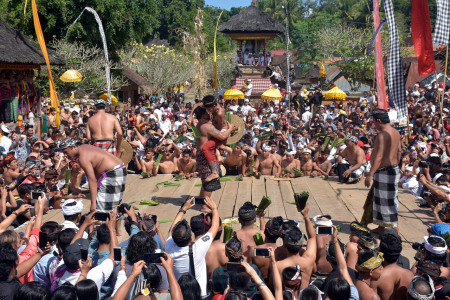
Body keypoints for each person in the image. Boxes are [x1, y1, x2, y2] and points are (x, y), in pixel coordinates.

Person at [165, 197, 219, 298]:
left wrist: (183, 209)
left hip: (179, 295)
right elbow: (215, 227)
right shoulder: (198, 248)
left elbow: (171, 230)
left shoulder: (169, 247)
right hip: (201, 294)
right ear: (191, 238)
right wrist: (214, 209)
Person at [58, 138, 127, 212]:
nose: (65, 155)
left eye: (66, 152)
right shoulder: (84, 146)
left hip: (113, 173)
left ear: (74, 147)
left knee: (102, 210)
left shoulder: (82, 158)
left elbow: (92, 180)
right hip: (120, 169)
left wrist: (93, 203)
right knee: (113, 206)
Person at [364, 109, 402, 234]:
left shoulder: (383, 134)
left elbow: (379, 156)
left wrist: (370, 174)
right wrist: (395, 164)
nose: (374, 124)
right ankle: (381, 227)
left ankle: (394, 230)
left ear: (379, 121)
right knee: (381, 200)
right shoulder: (396, 132)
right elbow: (399, 151)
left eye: (374, 122)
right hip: (393, 169)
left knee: (387, 201)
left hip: (385, 171)